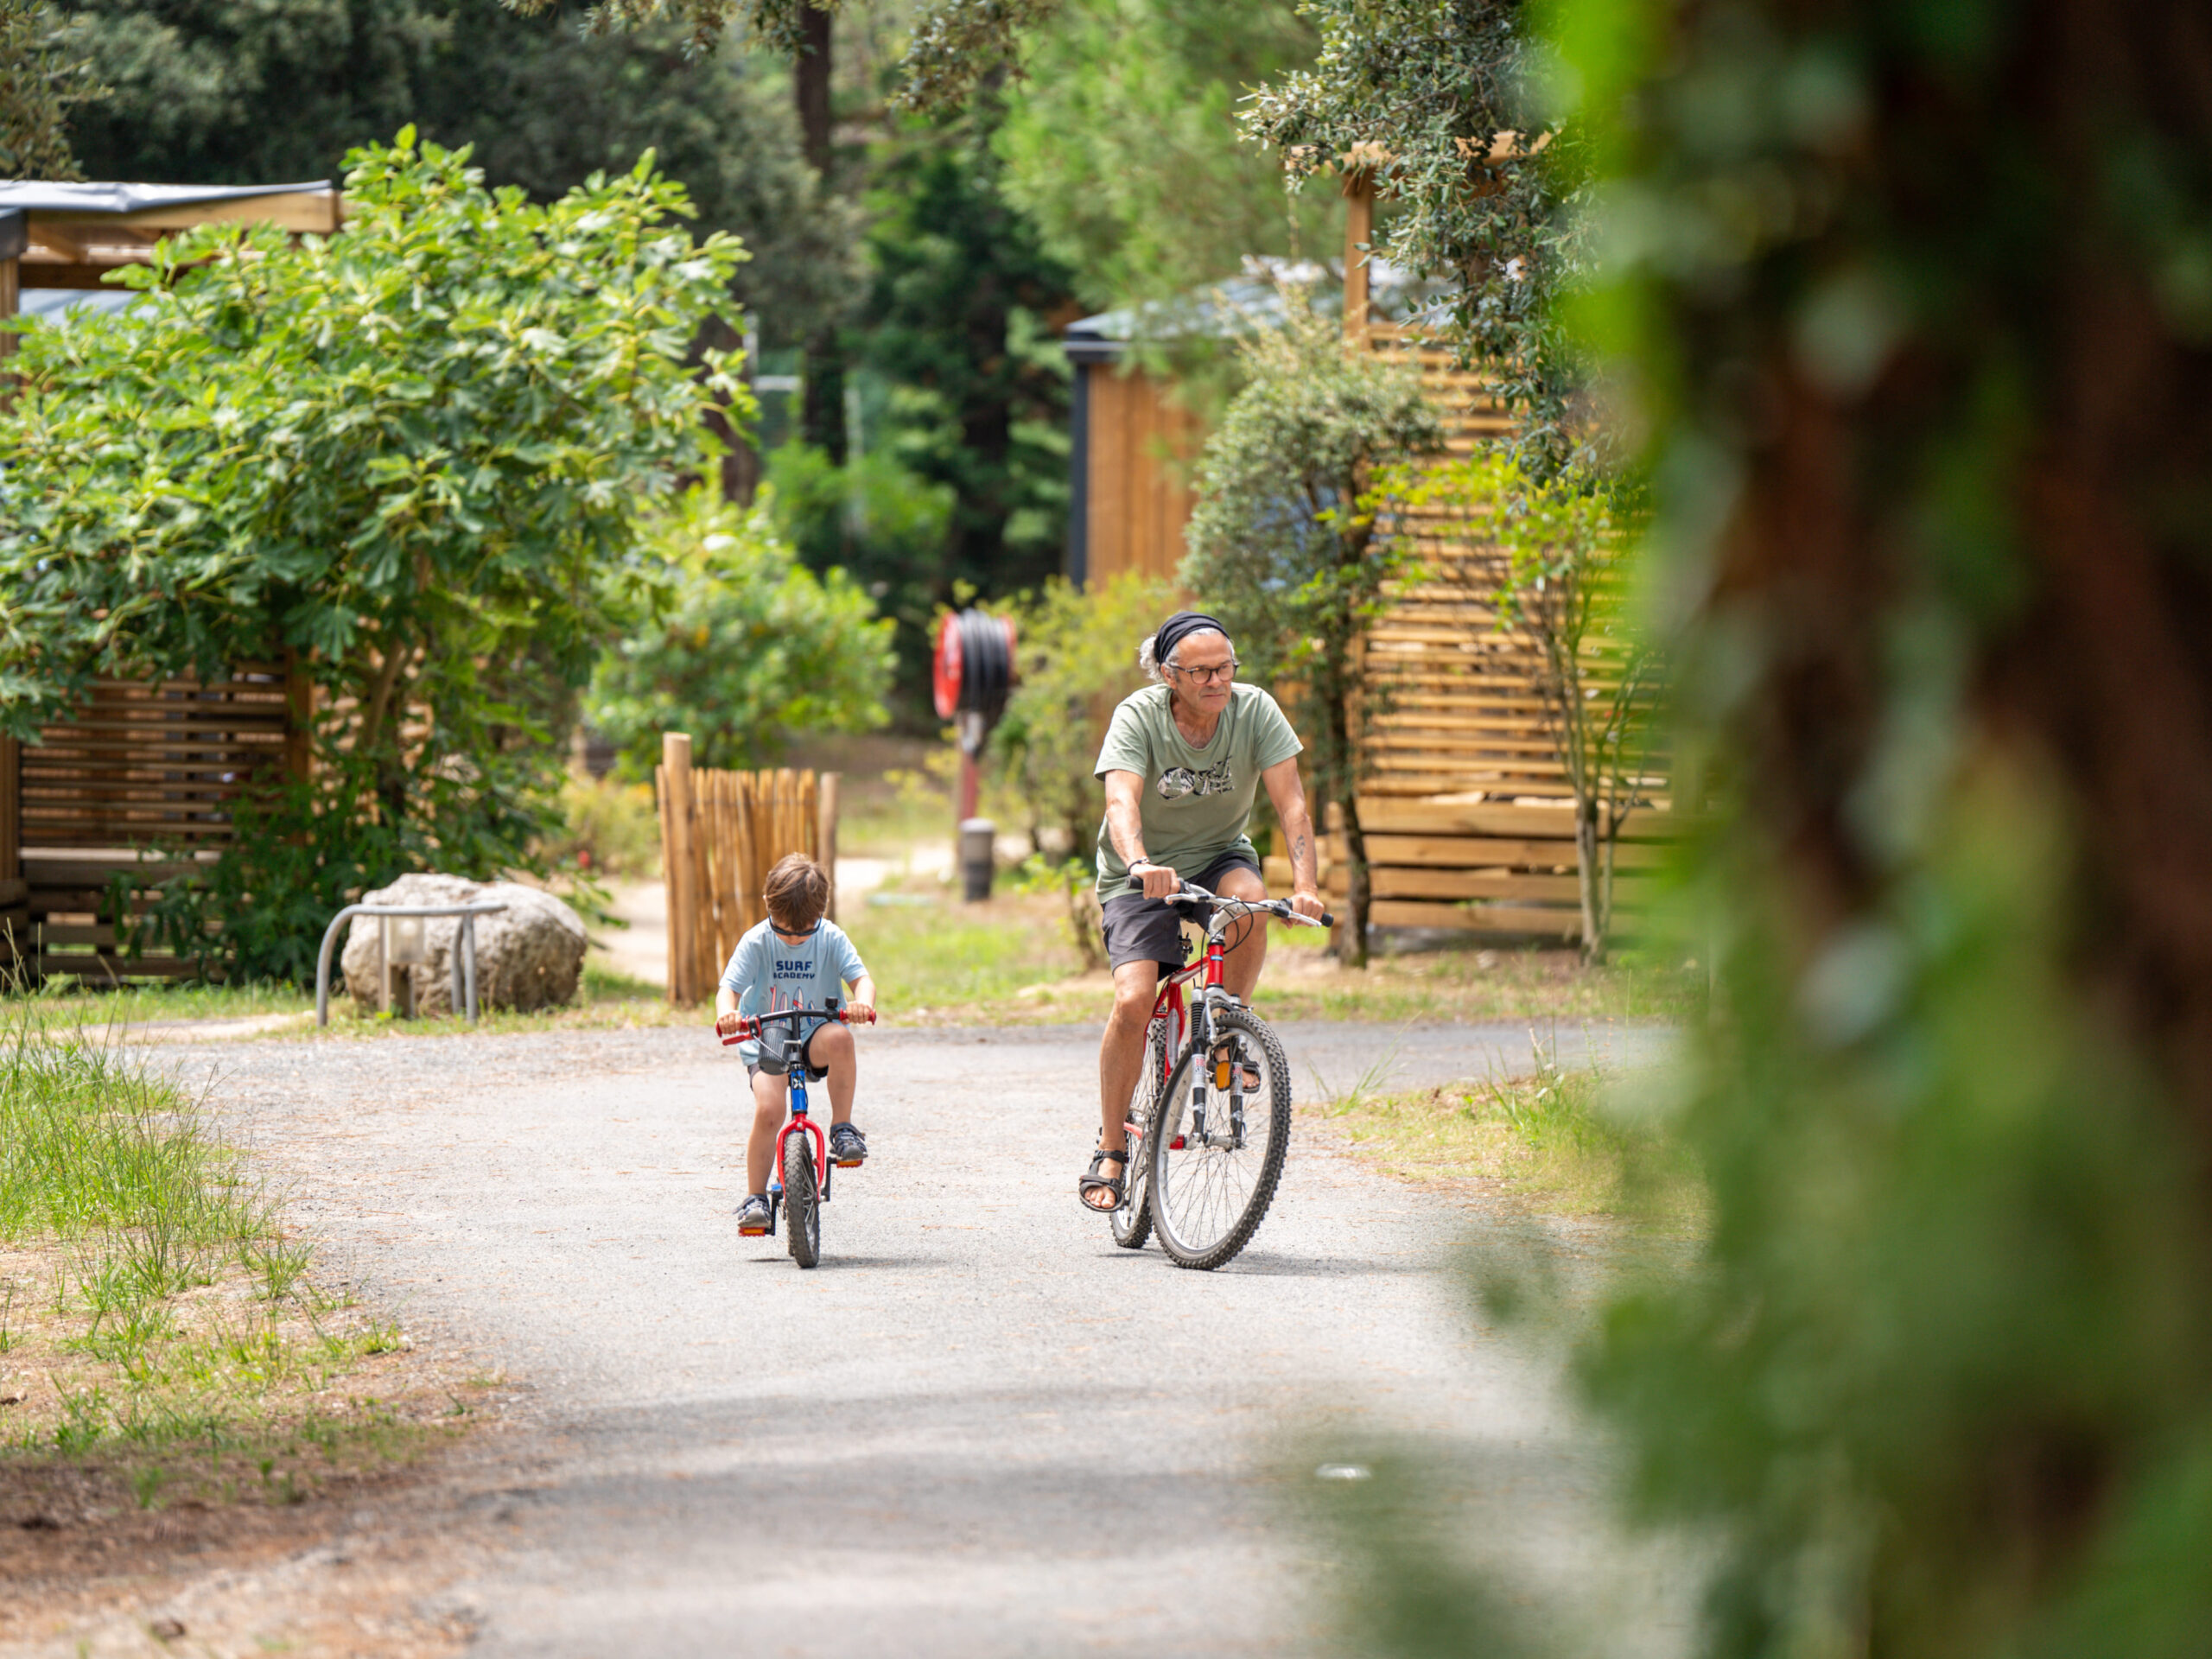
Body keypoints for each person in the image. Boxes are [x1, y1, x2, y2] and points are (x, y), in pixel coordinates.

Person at [1080, 611, 1325, 1211]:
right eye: (1201, 672)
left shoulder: (1256, 710)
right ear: (1169, 674)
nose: (1217, 681)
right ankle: (1112, 1147)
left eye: (1225, 668)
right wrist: (1140, 862)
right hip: (1142, 873)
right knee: (1134, 1001)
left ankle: (1225, 1032)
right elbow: (1120, 801)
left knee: (1250, 901)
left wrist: (1306, 887)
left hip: (1219, 856)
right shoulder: (1138, 715)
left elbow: (1292, 804)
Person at [715, 853, 877, 1236]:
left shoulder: (830, 937)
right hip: (767, 1037)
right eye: (784, 930)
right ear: (768, 906)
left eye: (804, 931)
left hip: (814, 1034)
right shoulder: (756, 941)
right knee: (770, 1110)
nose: (793, 939)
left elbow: (862, 980)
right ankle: (755, 1198)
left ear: (821, 912)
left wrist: (863, 1003)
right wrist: (728, 1014)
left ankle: (842, 1128)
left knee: (841, 1039)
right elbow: (729, 989)